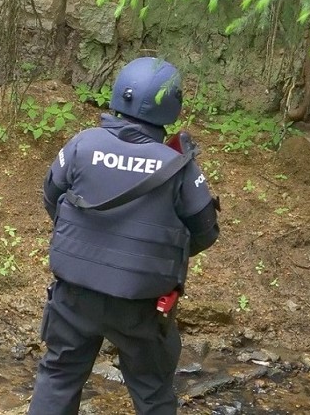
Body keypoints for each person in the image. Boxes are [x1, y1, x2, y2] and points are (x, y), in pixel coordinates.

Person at [27, 56, 221, 415]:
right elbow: (205, 232)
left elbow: (51, 197)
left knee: (59, 376)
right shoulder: (178, 165)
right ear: (171, 106)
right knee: (152, 393)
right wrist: (155, 257)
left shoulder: (82, 145)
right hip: (141, 304)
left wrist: (87, 244)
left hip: (75, 293)